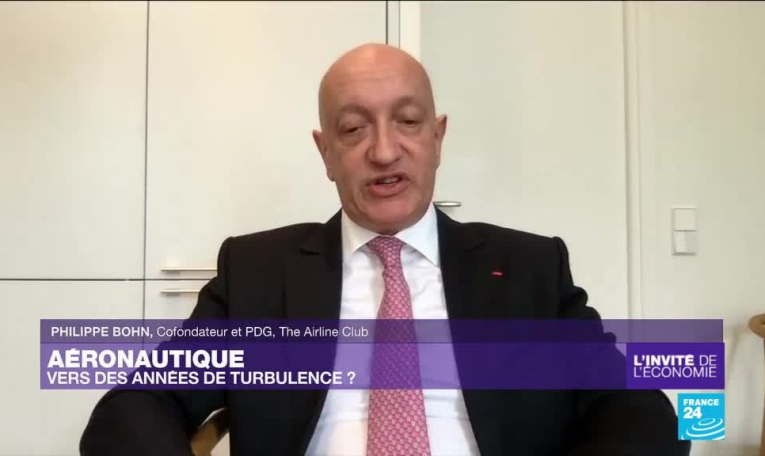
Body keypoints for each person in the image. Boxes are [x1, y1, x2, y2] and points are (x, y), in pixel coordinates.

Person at [81, 43, 689, 456]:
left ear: (438, 137)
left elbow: (632, 405)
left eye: (407, 121)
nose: (383, 151)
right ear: (325, 152)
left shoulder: (529, 267)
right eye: (353, 129)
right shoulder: (257, 272)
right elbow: (138, 405)